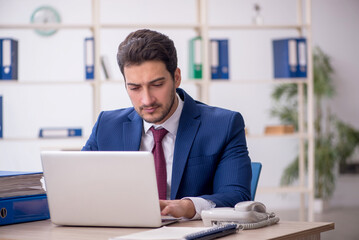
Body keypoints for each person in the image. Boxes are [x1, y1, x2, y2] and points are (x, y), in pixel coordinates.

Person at [82, 29, 252, 219]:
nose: (146, 100)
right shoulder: (106, 126)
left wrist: (188, 206)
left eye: (157, 85)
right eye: (135, 88)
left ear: (176, 77)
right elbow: (78, 185)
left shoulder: (224, 125)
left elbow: (237, 197)